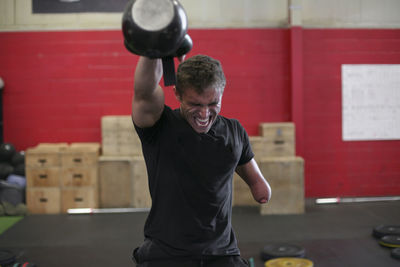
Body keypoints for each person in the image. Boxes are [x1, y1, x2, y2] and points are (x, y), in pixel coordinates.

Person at [131, 54, 271, 267]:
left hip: (222, 252)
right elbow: (144, 91)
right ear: (177, 93)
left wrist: (259, 187)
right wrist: (154, 46)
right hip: (166, 252)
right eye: (195, 104)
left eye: (213, 103)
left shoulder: (234, 131)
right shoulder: (160, 127)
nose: (205, 113)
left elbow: (258, 185)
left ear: (222, 93)